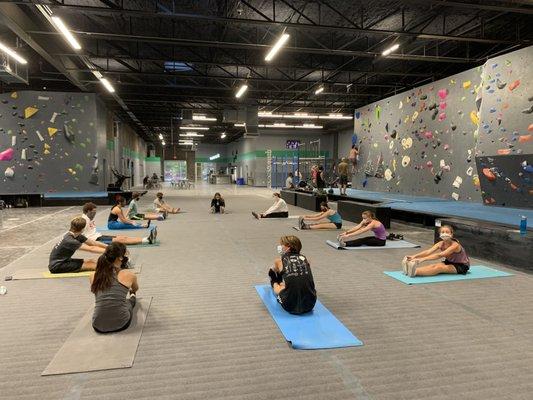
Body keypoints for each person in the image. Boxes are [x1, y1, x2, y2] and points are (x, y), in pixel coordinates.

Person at [90, 243, 139, 333]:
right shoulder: (129, 275)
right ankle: (132, 297)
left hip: (97, 325)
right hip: (122, 323)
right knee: (129, 302)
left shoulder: (93, 275)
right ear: (120, 257)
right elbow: (135, 289)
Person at [268, 235, 316, 314]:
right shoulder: (306, 259)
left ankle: (274, 283)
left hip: (290, 305)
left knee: (278, 289)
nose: (280, 246)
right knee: (294, 284)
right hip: (310, 304)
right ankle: (283, 284)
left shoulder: (279, 261)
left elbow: (274, 270)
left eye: (282, 245)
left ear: (288, 247)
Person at [402, 225, 470, 277]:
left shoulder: (455, 245)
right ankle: (409, 270)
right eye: (442, 232)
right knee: (433, 265)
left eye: (447, 232)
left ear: (451, 234)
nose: (444, 234)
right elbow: (428, 252)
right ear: (440, 234)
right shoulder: (440, 244)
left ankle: (414, 272)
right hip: (449, 262)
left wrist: (421, 259)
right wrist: (414, 256)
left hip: (461, 266)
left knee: (439, 268)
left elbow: (440, 255)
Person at [81, 203, 157, 246]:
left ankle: (146, 238)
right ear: (88, 211)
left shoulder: (89, 218)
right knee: (120, 240)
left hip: (98, 236)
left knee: (122, 237)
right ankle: (147, 240)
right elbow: (75, 233)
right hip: (95, 239)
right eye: (94, 212)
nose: (95, 213)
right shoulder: (83, 220)